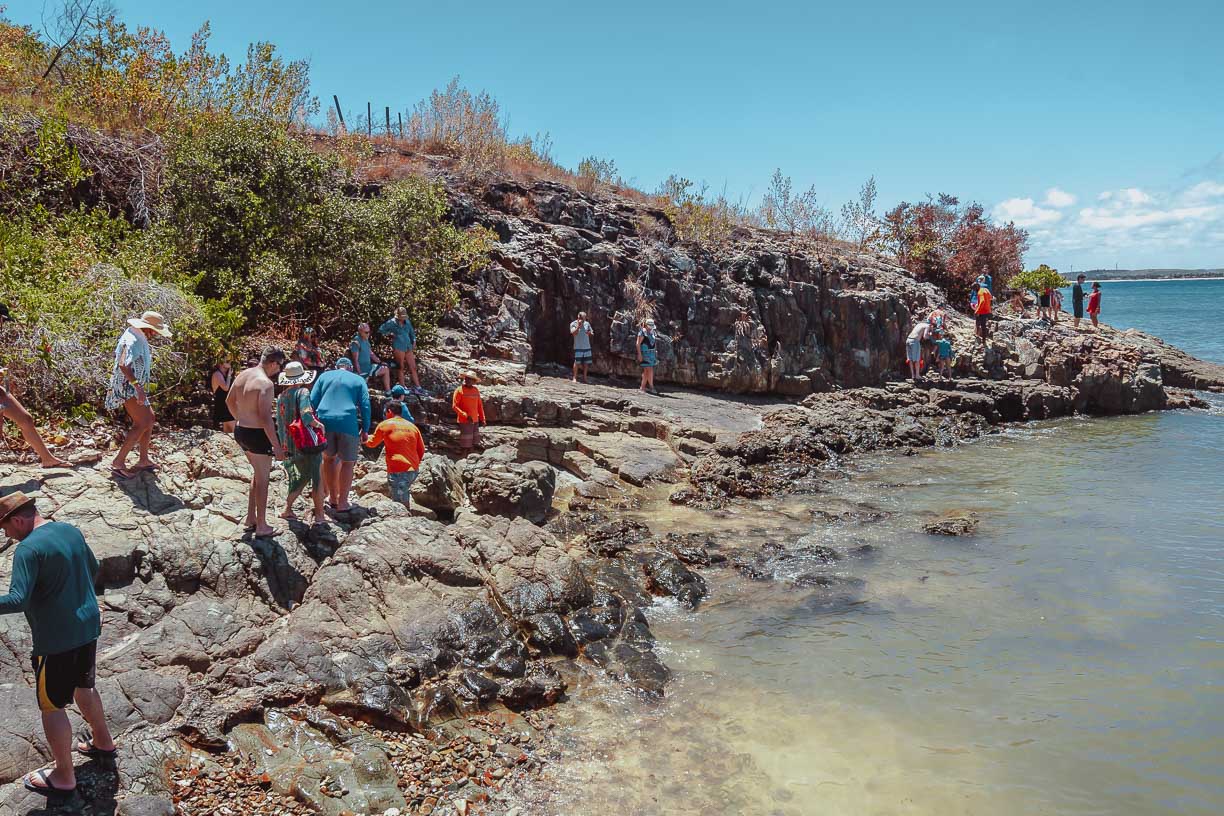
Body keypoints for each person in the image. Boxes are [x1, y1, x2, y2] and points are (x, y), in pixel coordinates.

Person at [0, 492, 115, 796]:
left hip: (56, 639)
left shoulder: (28, 550)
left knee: (52, 706)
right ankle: (103, 742)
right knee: (84, 686)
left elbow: (17, 599)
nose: (7, 535)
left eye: (6, 528)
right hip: (88, 625)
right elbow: (92, 566)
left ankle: (64, 775)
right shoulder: (69, 530)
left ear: (19, 520)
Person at [226, 348, 287, 538]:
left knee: (257, 474)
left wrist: (240, 419)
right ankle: (261, 525)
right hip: (257, 435)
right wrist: (276, 446)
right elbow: (265, 418)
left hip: (241, 430)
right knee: (263, 479)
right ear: (273, 363)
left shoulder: (243, 374)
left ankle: (250, 518)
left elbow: (229, 401)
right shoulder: (266, 384)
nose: (279, 370)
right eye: (280, 365)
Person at [105, 311, 171, 480]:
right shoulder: (133, 340)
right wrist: (137, 387)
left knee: (150, 418)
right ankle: (118, 462)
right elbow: (123, 364)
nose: (156, 335)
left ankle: (143, 459)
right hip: (129, 387)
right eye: (155, 331)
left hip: (134, 386)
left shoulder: (136, 334)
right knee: (143, 422)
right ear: (149, 329)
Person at [311, 357, 371, 514]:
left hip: (324, 421)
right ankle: (343, 502)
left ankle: (332, 498)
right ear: (350, 368)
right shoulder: (358, 380)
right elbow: (365, 405)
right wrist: (365, 429)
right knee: (348, 462)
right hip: (347, 421)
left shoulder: (324, 376)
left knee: (328, 459)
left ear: (336, 367)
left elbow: (312, 401)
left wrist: (311, 424)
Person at [274, 362, 325, 526]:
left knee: (299, 477)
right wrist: (319, 425)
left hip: (290, 444)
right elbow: (307, 415)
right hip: (306, 443)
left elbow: (280, 423)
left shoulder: (281, 397)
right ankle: (320, 516)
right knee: (316, 476)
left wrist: (283, 445)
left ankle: (287, 508)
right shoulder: (303, 392)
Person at [364, 399, 426, 505]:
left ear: (389, 411)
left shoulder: (385, 425)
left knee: (399, 502)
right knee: (403, 495)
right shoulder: (412, 427)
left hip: (397, 469)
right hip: (413, 470)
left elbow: (372, 443)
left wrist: (363, 438)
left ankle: (404, 519)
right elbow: (421, 449)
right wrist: (414, 463)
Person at [378, 308, 423, 393]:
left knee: (413, 367)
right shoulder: (392, 322)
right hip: (398, 346)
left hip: (408, 346)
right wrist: (390, 334)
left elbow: (412, 333)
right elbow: (381, 329)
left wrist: (414, 341)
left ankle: (418, 386)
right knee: (400, 367)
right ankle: (403, 386)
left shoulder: (407, 322)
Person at [451, 371, 486, 457]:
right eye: (466, 378)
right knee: (465, 443)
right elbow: (454, 406)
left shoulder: (475, 390)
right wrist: (465, 415)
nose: (468, 380)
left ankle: (472, 460)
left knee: (473, 442)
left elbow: (479, 406)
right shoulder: (459, 390)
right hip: (465, 420)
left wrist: (483, 419)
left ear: (474, 381)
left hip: (475, 419)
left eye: (470, 379)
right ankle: (463, 459)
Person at [350, 323, 391, 392]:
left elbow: (370, 353)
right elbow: (355, 360)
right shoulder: (356, 342)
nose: (368, 334)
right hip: (362, 371)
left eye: (369, 332)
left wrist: (380, 362)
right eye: (366, 332)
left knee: (385, 369)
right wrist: (360, 374)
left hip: (369, 368)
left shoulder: (366, 339)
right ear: (360, 332)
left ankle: (388, 391)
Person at [210, 361, 235, 433]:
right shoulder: (217, 374)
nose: (229, 362)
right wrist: (229, 375)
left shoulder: (226, 375)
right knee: (234, 430)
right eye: (227, 361)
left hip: (228, 405)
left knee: (229, 431)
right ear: (220, 363)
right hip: (223, 405)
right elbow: (226, 388)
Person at [571, 311, 594, 383]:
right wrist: (578, 326)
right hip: (578, 346)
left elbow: (592, 333)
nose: (581, 319)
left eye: (583, 318)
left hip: (587, 346)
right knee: (577, 362)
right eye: (580, 317)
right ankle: (574, 378)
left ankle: (585, 378)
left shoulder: (587, 323)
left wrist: (590, 333)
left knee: (586, 363)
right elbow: (573, 333)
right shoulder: (573, 323)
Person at [636, 318, 658, 394]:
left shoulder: (652, 332)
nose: (651, 328)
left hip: (652, 354)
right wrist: (639, 355)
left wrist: (655, 353)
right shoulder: (642, 332)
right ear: (646, 325)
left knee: (646, 371)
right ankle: (651, 387)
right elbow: (638, 344)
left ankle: (642, 387)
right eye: (650, 326)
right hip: (645, 354)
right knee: (650, 369)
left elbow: (654, 344)